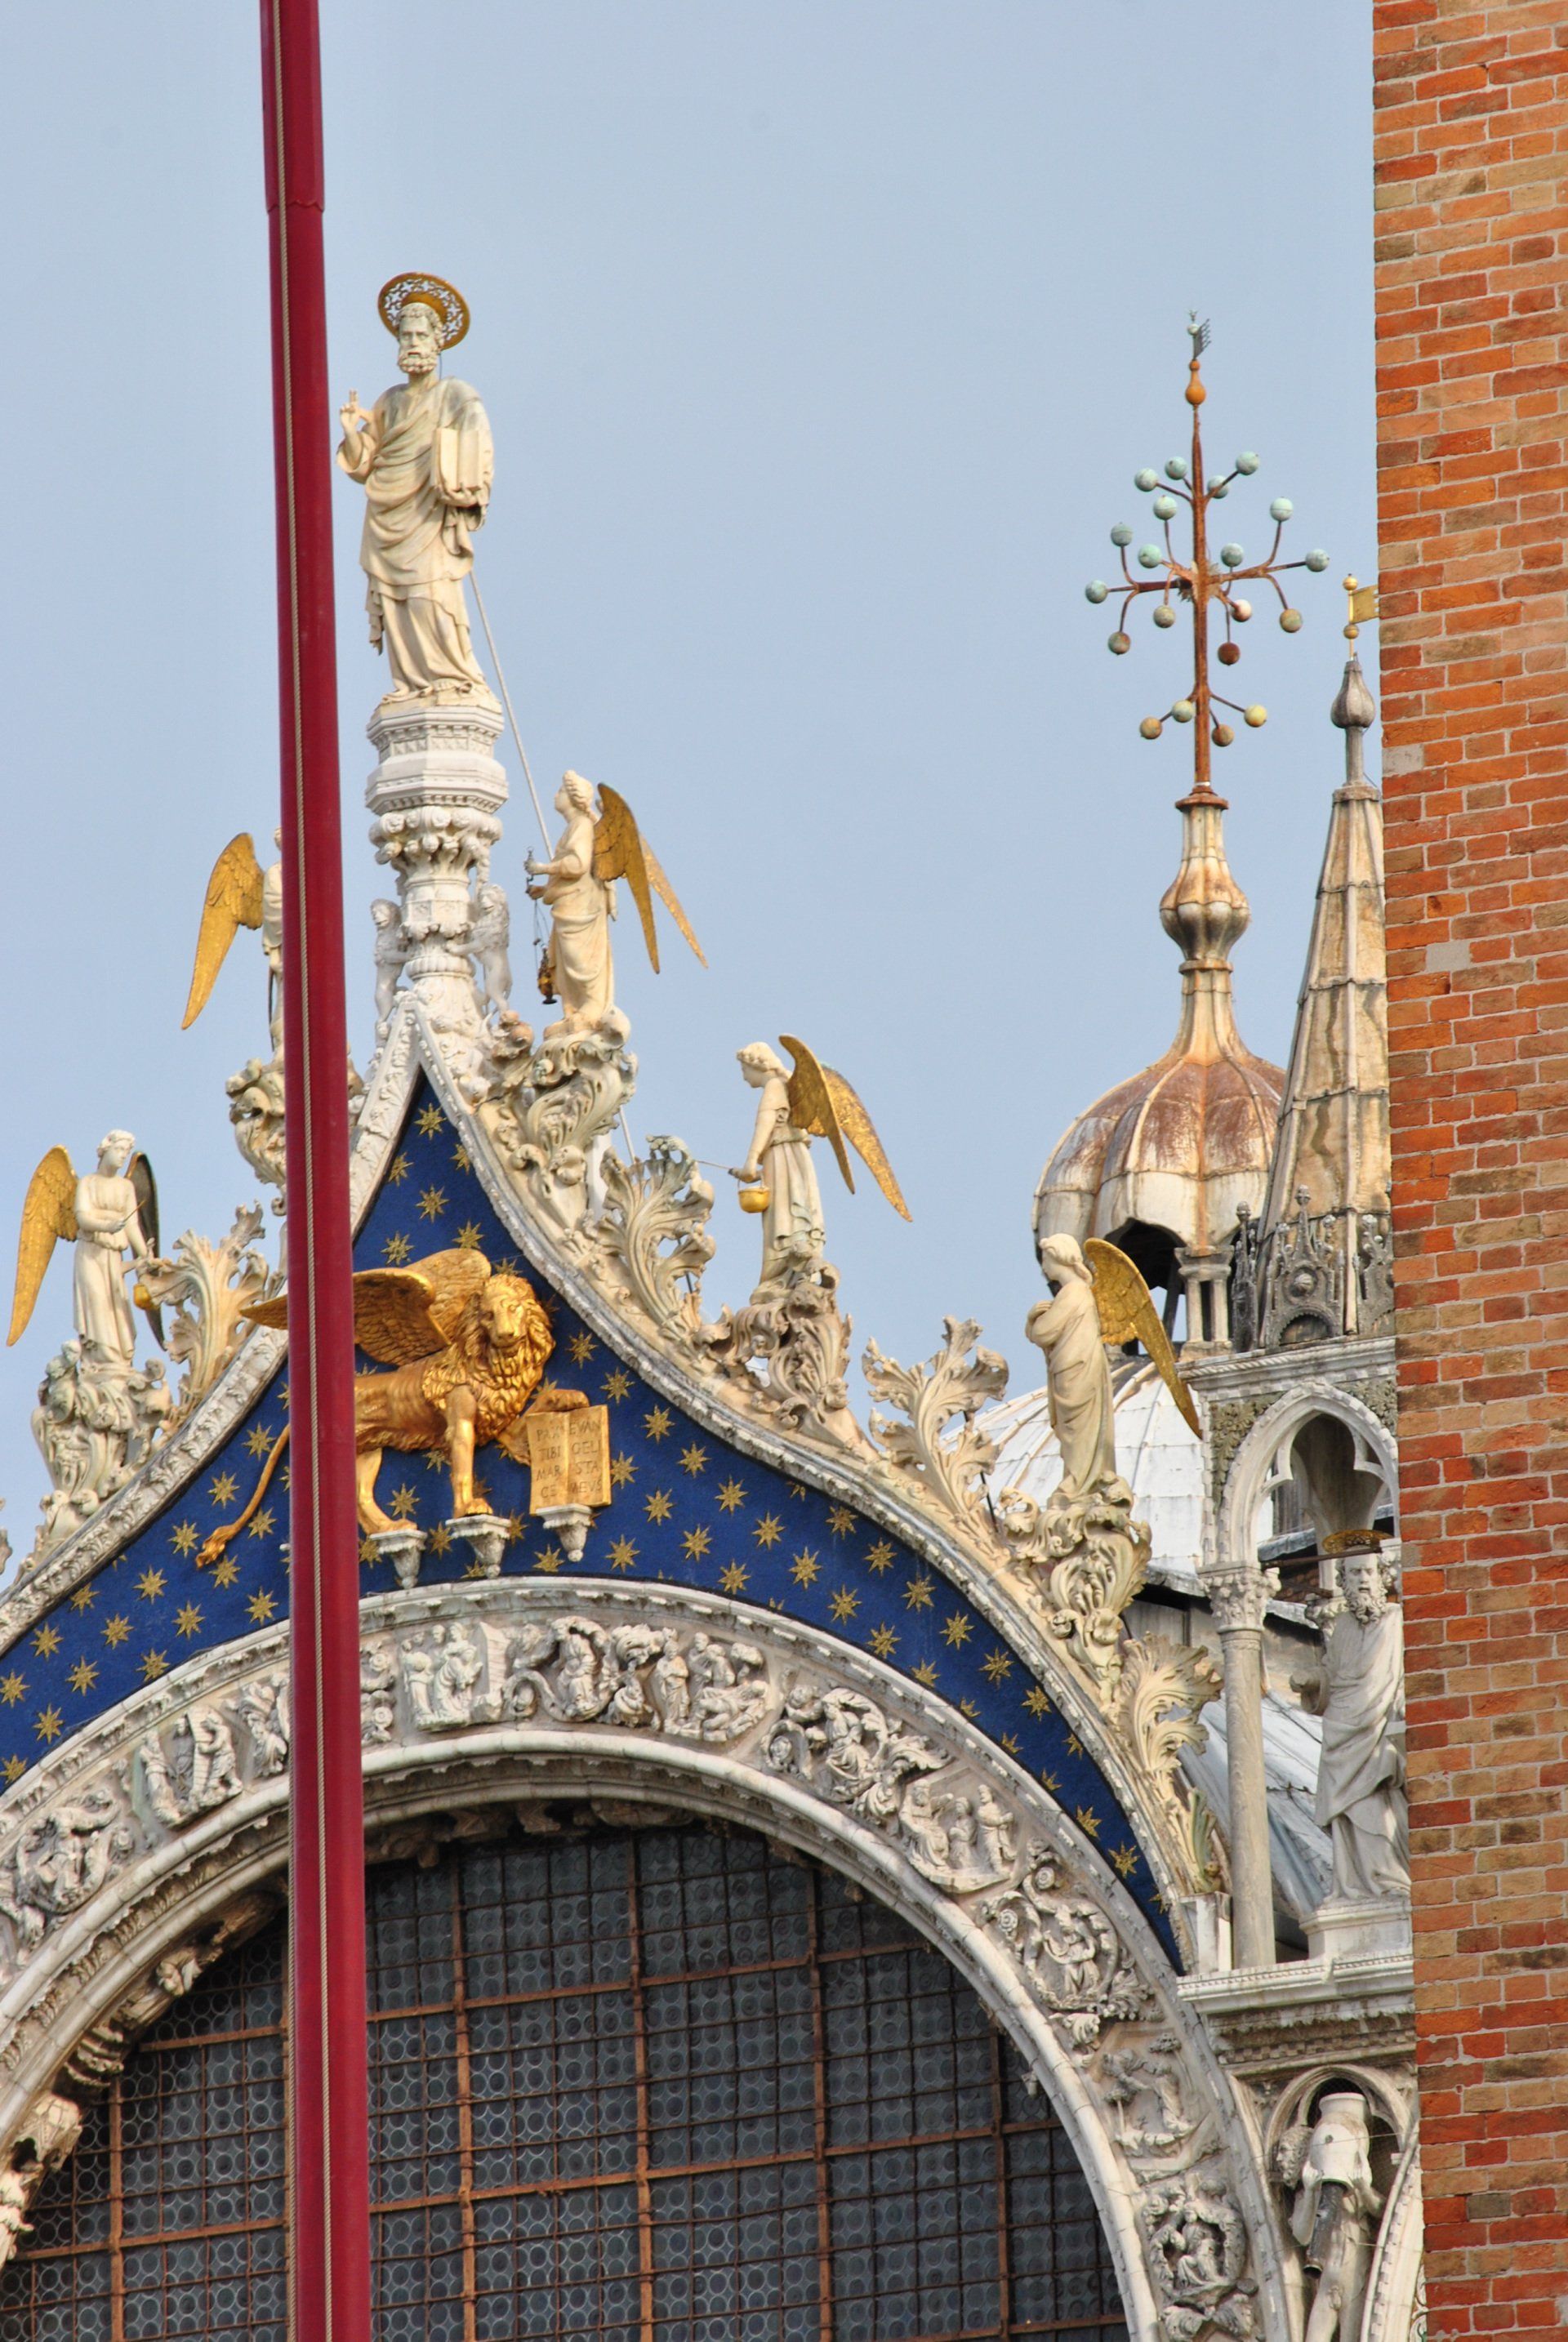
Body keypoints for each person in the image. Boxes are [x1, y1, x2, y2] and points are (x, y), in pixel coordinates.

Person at [337, 289, 494, 701]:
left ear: (438, 341)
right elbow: (365, 464)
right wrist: (352, 432)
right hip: (388, 517)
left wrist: (463, 475)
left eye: (420, 336)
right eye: (405, 337)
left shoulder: (454, 394)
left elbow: (476, 433)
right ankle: (412, 683)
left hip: (429, 514)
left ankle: (453, 677)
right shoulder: (389, 401)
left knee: (432, 596)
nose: (412, 345)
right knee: (397, 605)